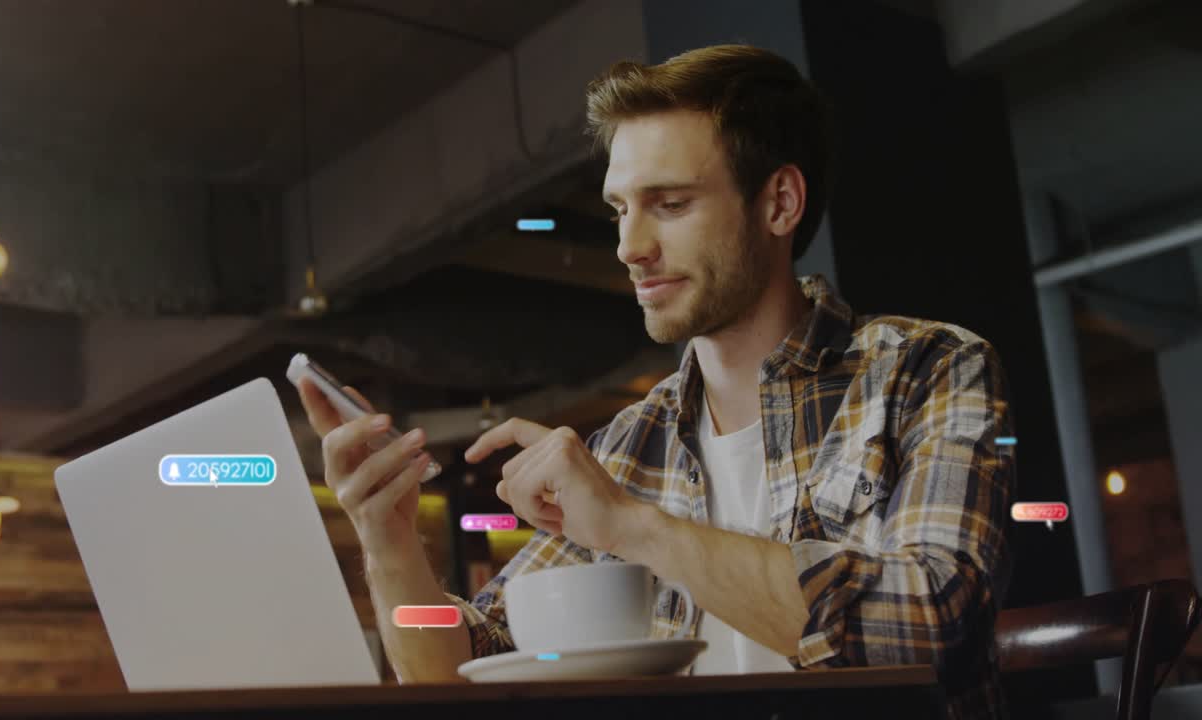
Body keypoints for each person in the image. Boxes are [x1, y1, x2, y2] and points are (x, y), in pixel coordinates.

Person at [297, 44, 1013, 720]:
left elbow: (932, 628)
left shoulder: (926, 369)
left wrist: (635, 527)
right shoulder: (632, 444)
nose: (629, 248)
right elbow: (459, 669)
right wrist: (387, 538)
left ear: (779, 204)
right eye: (620, 209)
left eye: (670, 204)